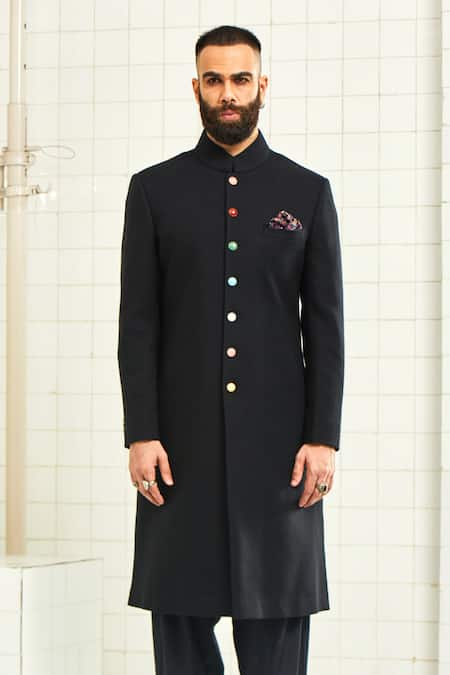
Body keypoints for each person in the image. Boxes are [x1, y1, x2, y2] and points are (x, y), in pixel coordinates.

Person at [117, 24, 344, 675]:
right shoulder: (154, 191)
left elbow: (326, 327)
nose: (228, 94)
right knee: (179, 626)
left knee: (277, 628)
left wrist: (322, 437)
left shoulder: (306, 192)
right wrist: (141, 432)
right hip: (178, 453)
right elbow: (138, 324)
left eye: (240, 79)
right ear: (195, 87)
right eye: (213, 80)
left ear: (262, 85)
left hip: (282, 456)